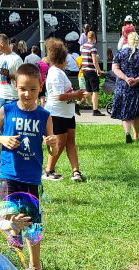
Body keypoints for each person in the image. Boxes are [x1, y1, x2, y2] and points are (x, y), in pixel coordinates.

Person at [0, 63, 59, 270]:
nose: (27, 94)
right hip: (8, 174)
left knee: (32, 223)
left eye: (33, 89)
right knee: (9, 215)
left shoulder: (44, 116)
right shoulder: (6, 110)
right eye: (23, 89)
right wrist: (3, 139)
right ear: (15, 87)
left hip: (31, 177)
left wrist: (53, 144)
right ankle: (14, 235)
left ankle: (35, 266)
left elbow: (53, 150)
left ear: (40, 88)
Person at [43, 38, 86, 180]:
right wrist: (76, 94)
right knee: (59, 143)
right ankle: (48, 170)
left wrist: (76, 95)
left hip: (67, 113)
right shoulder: (55, 73)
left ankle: (76, 171)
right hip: (57, 113)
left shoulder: (59, 72)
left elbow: (65, 93)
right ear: (63, 59)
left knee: (70, 142)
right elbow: (59, 96)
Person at [110, 32, 139, 144]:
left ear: (127, 40)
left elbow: (115, 68)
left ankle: (127, 132)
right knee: (138, 112)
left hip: (123, 86)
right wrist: (136, 79)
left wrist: (126, 78)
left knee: (125, 110)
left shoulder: (119, 53)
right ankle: (136, 135)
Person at [0, 34, 23, 113]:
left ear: (2, 44)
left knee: (12, 120)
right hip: (0, 97)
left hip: (13, 97)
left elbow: (22, 77)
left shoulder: (17, 59)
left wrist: (8, 75)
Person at [81, 31, 105, 116]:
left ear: (87, 37)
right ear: (94, 38)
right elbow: (94, 61)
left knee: (88, 91)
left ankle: (76, 104)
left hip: (84, 70)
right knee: (95, 91)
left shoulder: (83, 46)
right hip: (91, 71)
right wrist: (99, 70)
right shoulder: (92, 47)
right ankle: (95, 110)